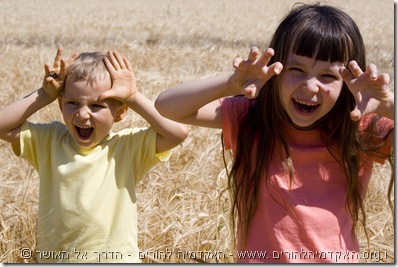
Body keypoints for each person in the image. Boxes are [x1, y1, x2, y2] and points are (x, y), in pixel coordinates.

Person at [155, 3, 394, 263]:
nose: (310, 86)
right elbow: (167, 106)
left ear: (348, 84)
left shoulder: (360, 129)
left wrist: (389, 106)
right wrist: (231, 83)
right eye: (296, 70)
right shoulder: (251, 120)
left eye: (328, 76)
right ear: (276, 69)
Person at [0, 48, 189, 263]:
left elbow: (178, 132)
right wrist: (44, 95)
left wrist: (132, 97)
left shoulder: (127, 147)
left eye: (96, 106)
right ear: (60, 104)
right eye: (72, 103)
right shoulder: (49, 141)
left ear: (120, 113)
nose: (82, 114)